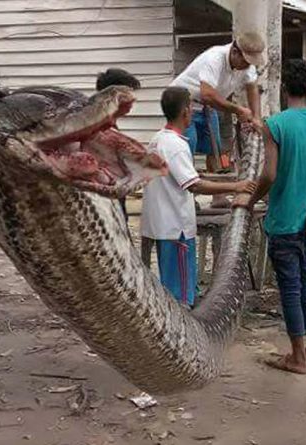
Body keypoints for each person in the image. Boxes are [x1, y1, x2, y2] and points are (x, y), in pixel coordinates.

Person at [236, 60, 306, 374]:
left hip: (284, 220)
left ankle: (297, 357)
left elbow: (269, 173)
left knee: (291, 289)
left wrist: (252, 198)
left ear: (284, 89)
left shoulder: (276, 124)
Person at [141, 87, 256, 307]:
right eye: (191, 109)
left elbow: (181, 177)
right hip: (176, 226)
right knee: (181, 293)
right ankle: (183, 325)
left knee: (172, 284)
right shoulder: (175, 145)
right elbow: (194, 185)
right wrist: (237, 186)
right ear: (185, 111)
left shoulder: (158, 140)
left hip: (162, 223)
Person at [170, 32, 265, 208]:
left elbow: (252, 88)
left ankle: (218, 196)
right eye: (244, 61)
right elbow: (207, 94)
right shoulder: (214, 58)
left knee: (215, 151)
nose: (246, 66)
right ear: (235, 51)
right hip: (184, 104)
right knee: (186, 149)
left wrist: (256, 117)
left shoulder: (246, 66)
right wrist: (237, 109)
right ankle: (187, 198)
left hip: (208, 106)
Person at [95, 68, 142, 225]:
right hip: (104, 205)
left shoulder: (109, 122)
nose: (133, 99)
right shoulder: (97, 126)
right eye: (128, 93)